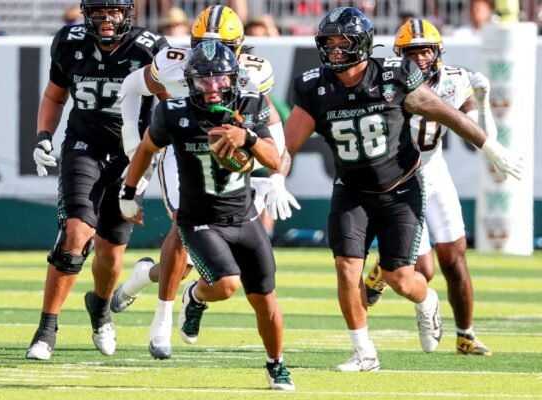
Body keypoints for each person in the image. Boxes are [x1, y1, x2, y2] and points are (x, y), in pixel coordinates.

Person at [284, 7, 522, 371]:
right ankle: (364, 353)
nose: (334, 50)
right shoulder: (314, 86)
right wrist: (273, 177)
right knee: (347, 268)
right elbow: (288, 143)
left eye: (342, 42)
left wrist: (491, 146)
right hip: (351, 188)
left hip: (402, 183)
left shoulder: (398, 77)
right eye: (328, 43)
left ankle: (431, 304)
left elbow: (450, 115)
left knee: (406, 276)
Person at [111, 5, 299, 360]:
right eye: (204, 45)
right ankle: (162, 320)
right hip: (181, 148)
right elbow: (133, 85)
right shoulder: (172, 63)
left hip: (228, 152)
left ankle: (144, 277)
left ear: (238, 47)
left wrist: (277, 176)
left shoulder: (252, 74)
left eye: (224, 47)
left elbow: (271, 128)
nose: (213, 56)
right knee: (182, 224)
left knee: (193, 264)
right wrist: (132, 141)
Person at [25, 0, 167, 360]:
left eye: (114, 11)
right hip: (83, 146)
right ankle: (46, 330)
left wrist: (153, 161)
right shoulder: (69, 42)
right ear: (87, 14)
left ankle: (100, 309)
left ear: (127, 13)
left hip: (131, 156)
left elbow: (168, 107)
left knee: (110, 252)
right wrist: (44, 135)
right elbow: (54, 95)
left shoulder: (149, 48)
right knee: (75, 233)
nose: (107, 19)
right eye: (99, 12)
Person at [364, 19, 498, 356]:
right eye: (412, 52)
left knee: (455, 257)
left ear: (438, 51)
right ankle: (384, 267)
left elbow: (482, 138)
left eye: (425, 50)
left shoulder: (455, 80)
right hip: (401, 176)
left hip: (435, 170)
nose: (420, 58)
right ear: (400, 55)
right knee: (424, 270)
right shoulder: (387, 81)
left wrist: (482, 103)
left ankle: (465, 335)